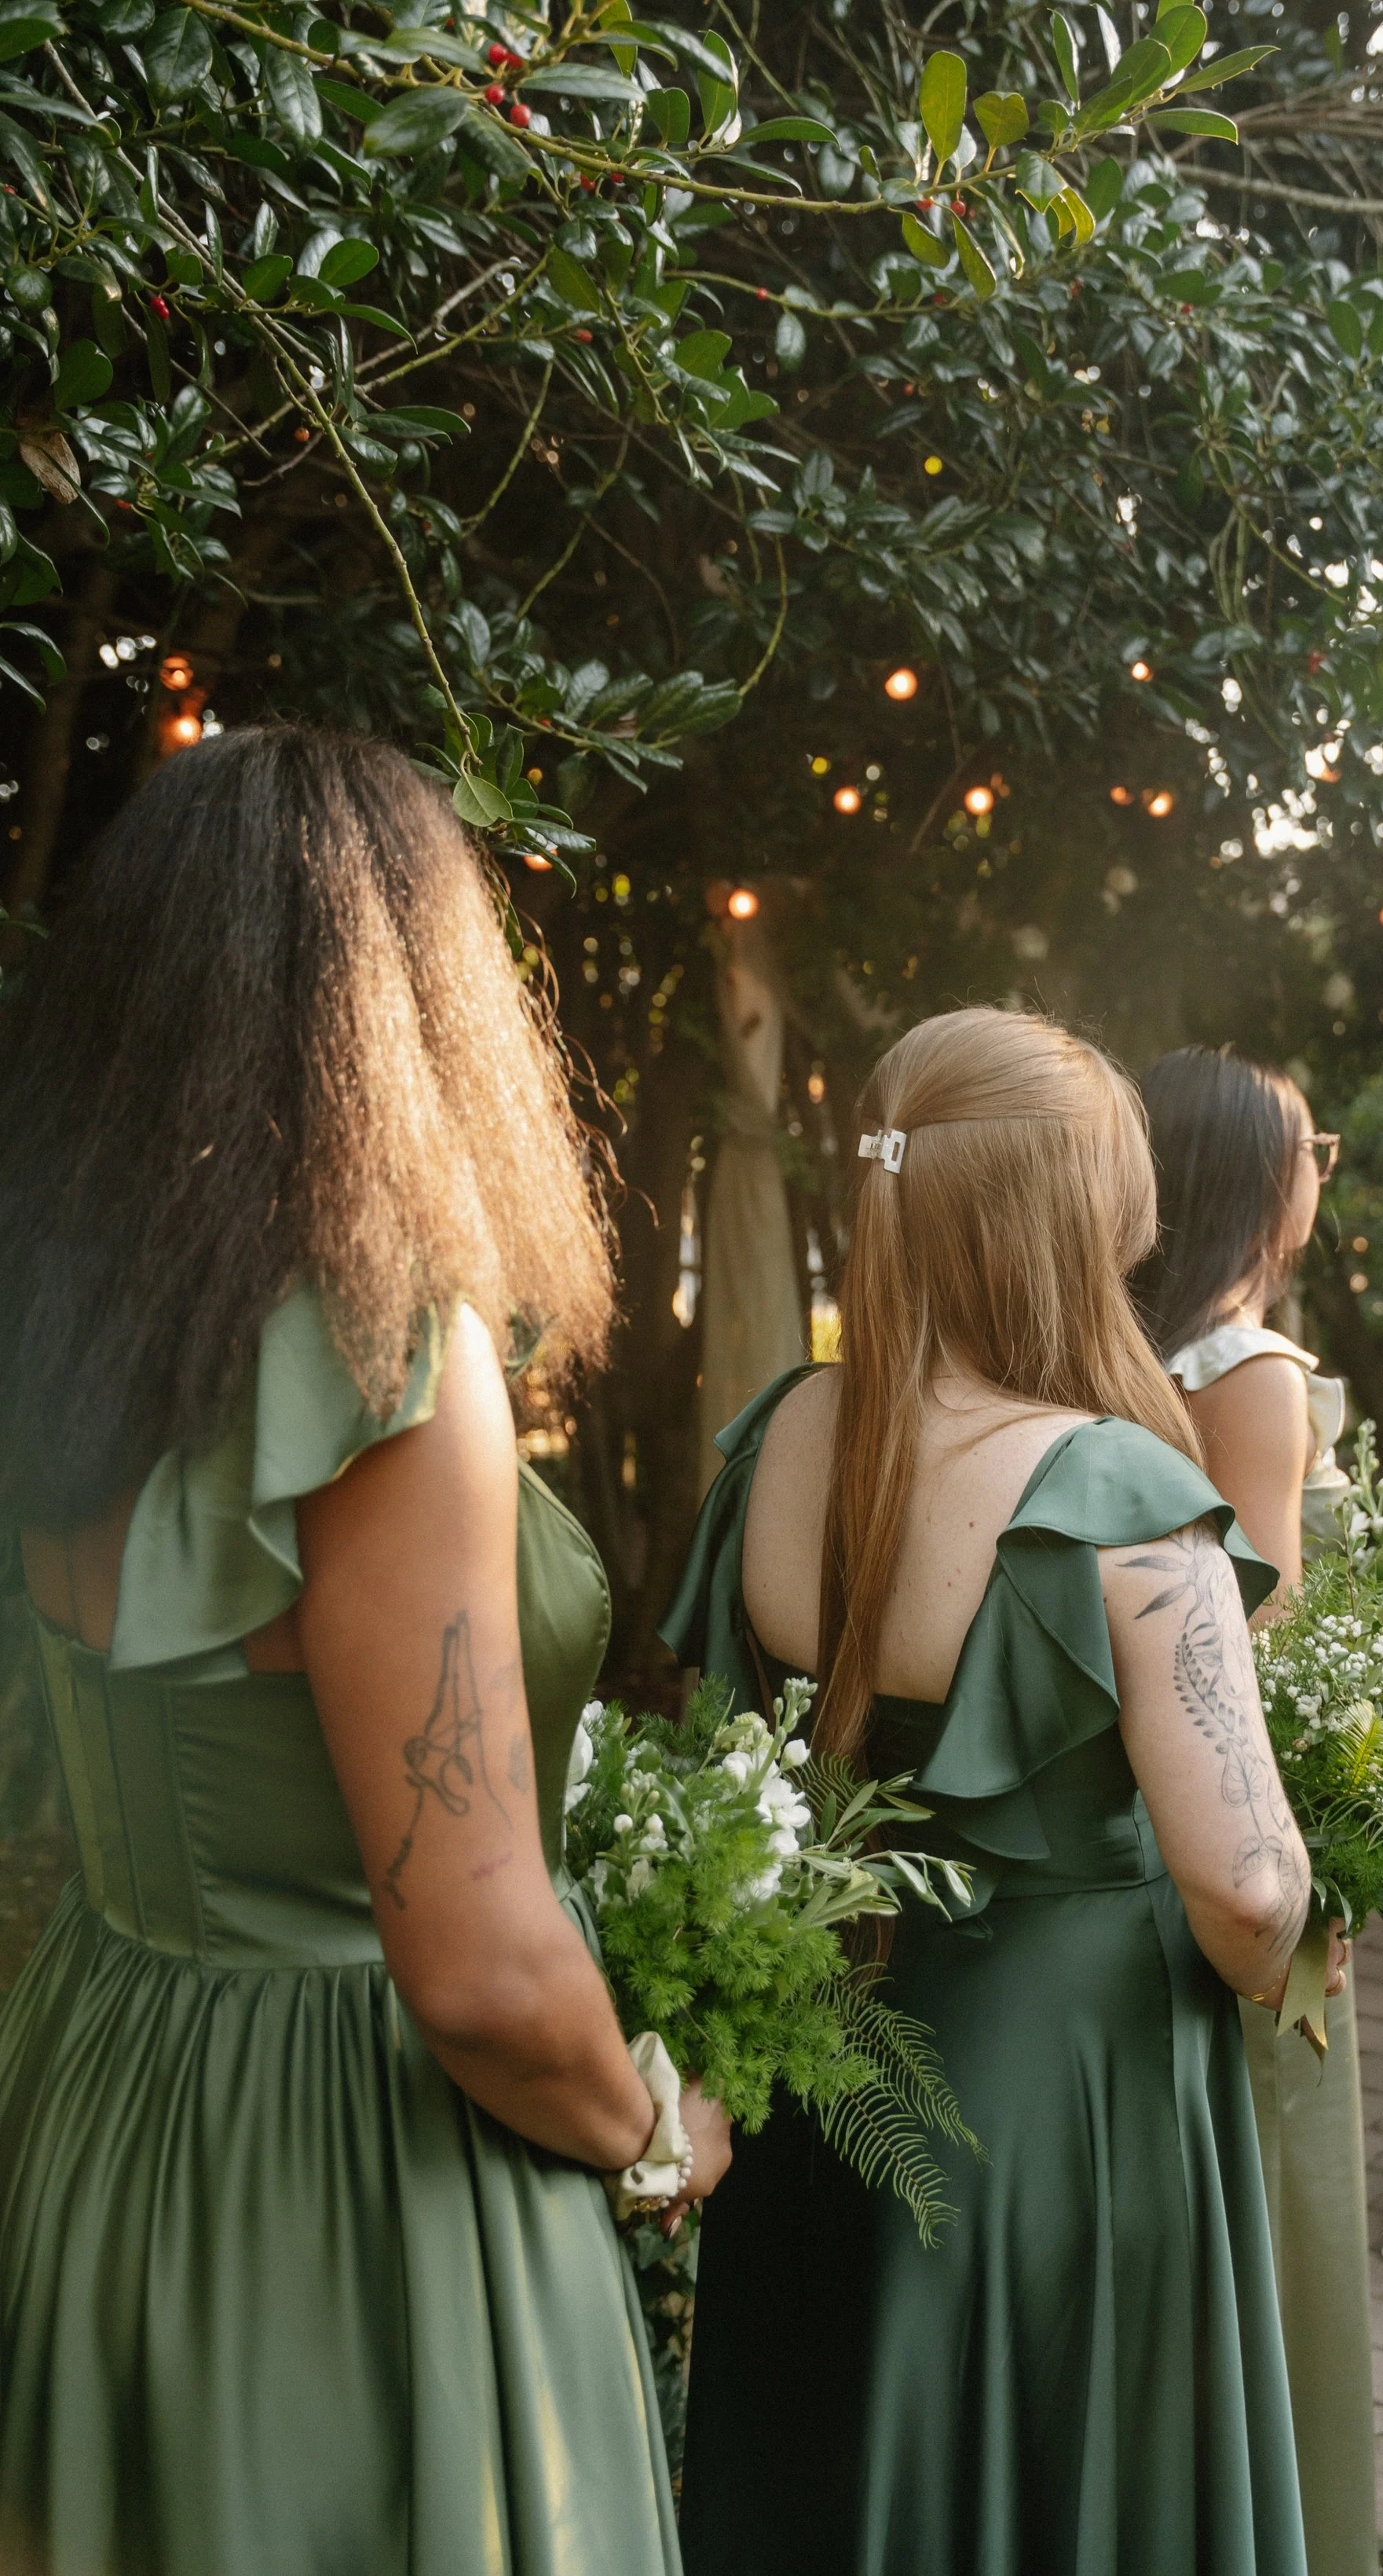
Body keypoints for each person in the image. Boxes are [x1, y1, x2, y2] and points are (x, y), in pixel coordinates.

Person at [0, 727, 726, 2576]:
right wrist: (649, 2134)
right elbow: (477, 1967)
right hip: (352, 2165)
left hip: (106, 2085)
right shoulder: (380, 1350)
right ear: (418, 999)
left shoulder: (70, 1321)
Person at [663, 1006, 1314, 2576]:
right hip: (1064, 2114)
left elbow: (735, 1772)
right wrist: (1299, 1933)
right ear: (1062, 1226)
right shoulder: (1117, 1491)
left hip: (825, 2074)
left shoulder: (775, 1440)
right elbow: (1241, 1883)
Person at [1132, 1049, 1374, 2576]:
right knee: (1277, 2190)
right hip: (1254, 1842)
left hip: (1144, 1835)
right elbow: (1257, 1646)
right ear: (1249, 1184)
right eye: (1311, 1150)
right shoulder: (1251, 1371)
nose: (1320, 1174)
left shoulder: (1114, 1354)